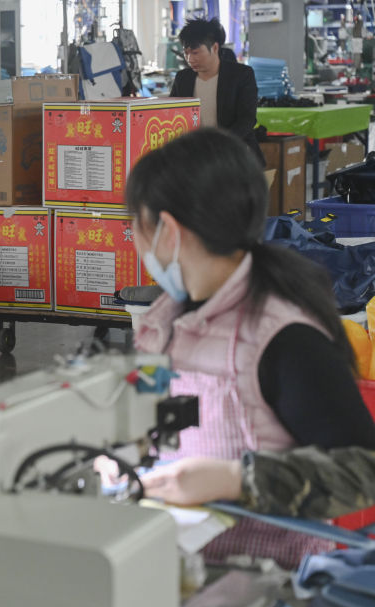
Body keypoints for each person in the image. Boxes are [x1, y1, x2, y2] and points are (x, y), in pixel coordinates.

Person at [126, 127, 375, 569]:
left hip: (267, 581)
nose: (135, 240)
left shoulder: (285, 338)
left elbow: (362, 472)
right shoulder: (162, 322)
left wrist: (235, 480)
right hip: (172, 565)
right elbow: (146, 411)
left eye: (138, 226)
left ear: (169, 232)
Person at [170, 17, 264, 165]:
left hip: (234, 153)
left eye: (195, 52)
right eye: (186, 53)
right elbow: (172, 115)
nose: (190, 59)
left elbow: (247, 119)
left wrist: (219, 145)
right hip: (194, 154)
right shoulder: (183, 78)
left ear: (214, 48)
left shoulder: (241, 75)